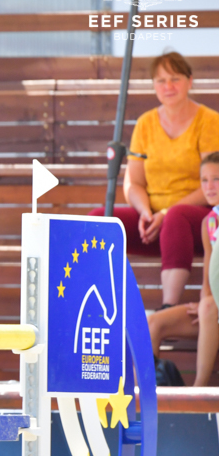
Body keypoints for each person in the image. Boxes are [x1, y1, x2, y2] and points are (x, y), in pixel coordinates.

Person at [90, 52, 219, 308]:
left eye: (175, 78)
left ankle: (166, 308)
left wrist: (166, 212)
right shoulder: (145, 123)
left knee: (175, 217)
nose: (168, 86)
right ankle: (97, 301)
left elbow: (212, 182)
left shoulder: (209, 121)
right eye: (160, 80)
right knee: (98, 219)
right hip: (153, 222)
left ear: (190, 81)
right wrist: (147, 213)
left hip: (196, 219)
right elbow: (132, 183)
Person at [146, 152, 219, 386]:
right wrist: (203, 303)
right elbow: (210, 275)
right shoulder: (209, 223)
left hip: (214, 309)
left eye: (216, 179)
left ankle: (197, 397)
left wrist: (208, 305)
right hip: (212, 310)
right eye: (204, 180)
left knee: (208, 307)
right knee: (153, 322)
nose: (209, 186)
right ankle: (150, 401)